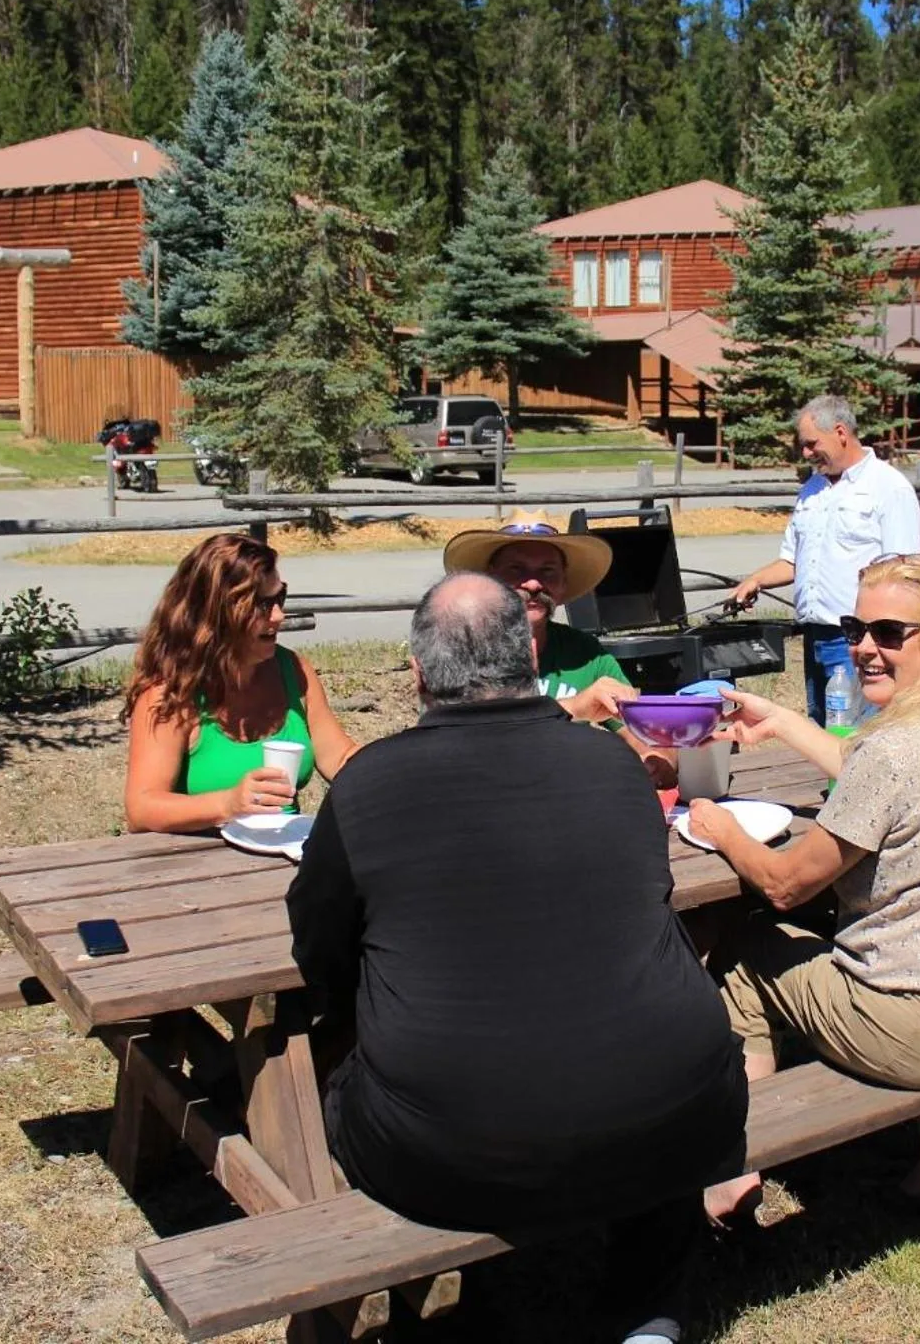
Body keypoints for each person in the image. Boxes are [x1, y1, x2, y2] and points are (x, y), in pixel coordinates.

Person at [288, 572, 748, 1343]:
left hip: (453, 1141)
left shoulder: (369, 785)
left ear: (419, 674)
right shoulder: (614, 769)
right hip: (679, 1105)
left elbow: (319, 951)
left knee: (337, 1078)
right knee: (646, 1086)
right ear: (526, 660)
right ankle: (648, 1313)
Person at [689, 553, 920, 1218]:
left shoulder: (895, 752)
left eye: (889, 633)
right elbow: (868, 772)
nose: (862, 646)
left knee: (746, 951)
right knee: (851, 928)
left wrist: (718, 828)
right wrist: (780, 720)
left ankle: (735, 1169)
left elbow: (785, 885)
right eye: (856, 627)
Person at [123, 534, 360, 832]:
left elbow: (339, 757)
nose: (279, 615)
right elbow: (141, 810)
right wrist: (228, 804)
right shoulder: (170, 693)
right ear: (217, 611)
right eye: (262, 604)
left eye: (280, 598)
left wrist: (397, 767)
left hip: (283, 852)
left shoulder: (295, 671)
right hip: (194, 864)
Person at [726, 394, 920, 724]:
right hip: (815, 639)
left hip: (860, 643)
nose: (805, 453)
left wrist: (877, 643)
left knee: (857, 735)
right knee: (823, 732)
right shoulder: (812, 490)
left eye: (811, 443)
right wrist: (755, 580)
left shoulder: (888, 488)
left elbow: (902, 572)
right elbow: (792, 560)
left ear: (841, 432)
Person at [442, 515, 637, 721]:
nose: (533, 584)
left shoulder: (585, 654)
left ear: (563, 582)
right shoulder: (461, 652)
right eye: (516, 569)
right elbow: (459, 732)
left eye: (547, 571)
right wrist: (575, 708)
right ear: (490, 580)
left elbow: (649, 739)